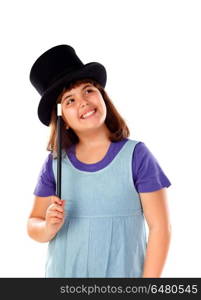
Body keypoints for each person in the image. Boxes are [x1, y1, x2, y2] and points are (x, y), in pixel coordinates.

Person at [27, 44, 172, 278]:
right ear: (61, 118)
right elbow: (33, 223)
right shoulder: (54, 164)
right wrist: (47, 227)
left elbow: (160, 229)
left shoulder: (136, 156)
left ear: (102, 95)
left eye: (88, 90)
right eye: (69, 100)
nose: (83, 101)